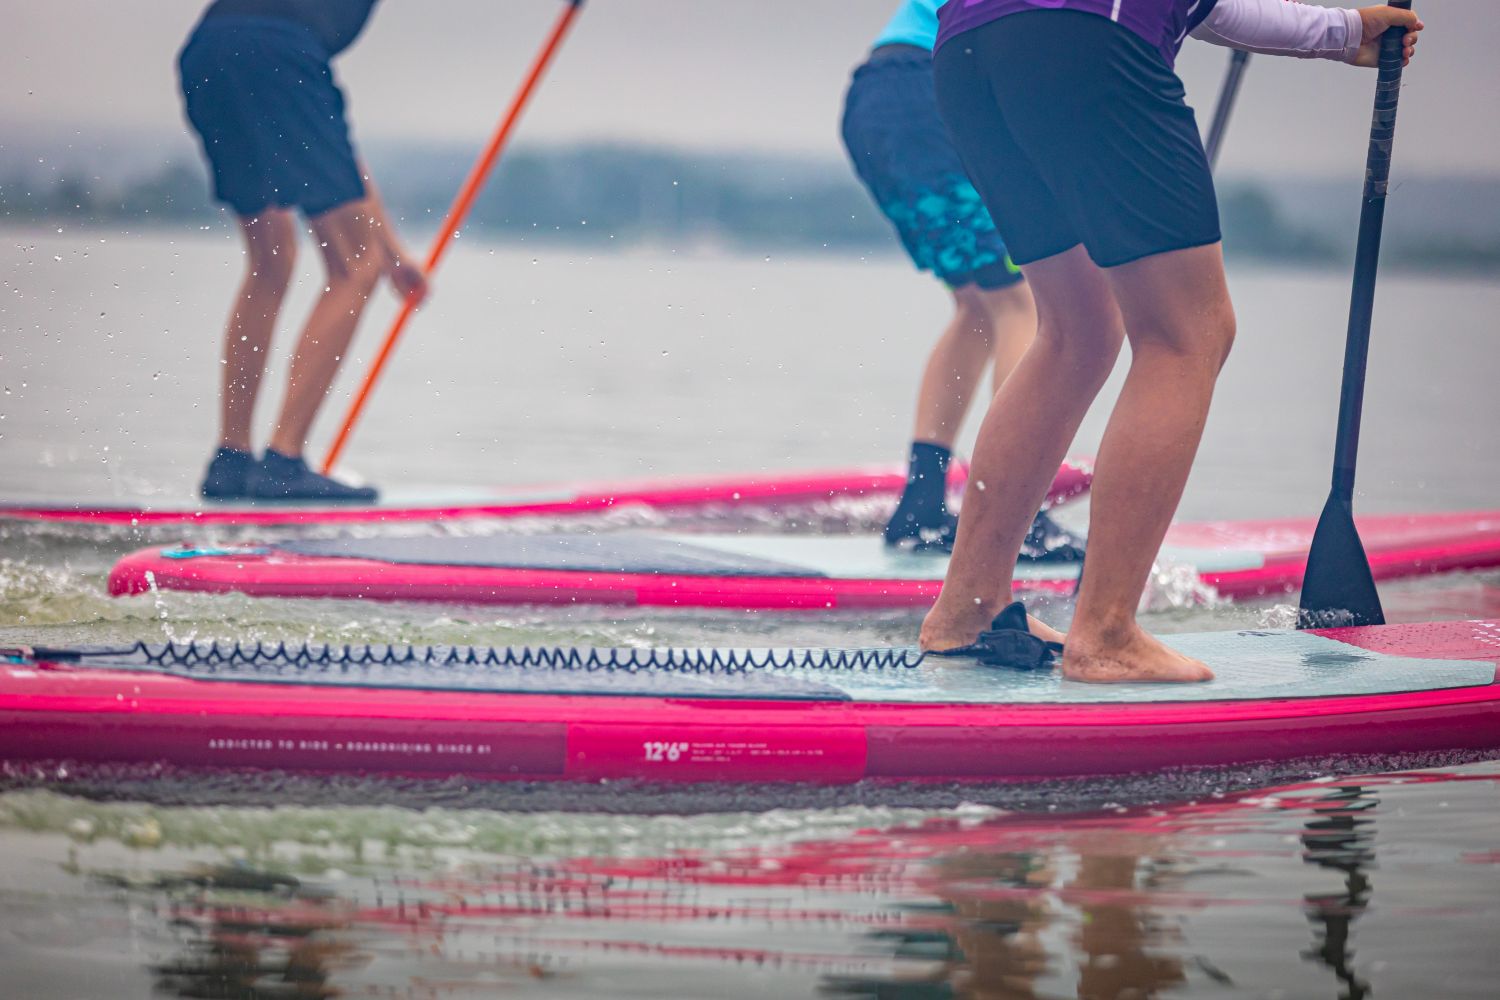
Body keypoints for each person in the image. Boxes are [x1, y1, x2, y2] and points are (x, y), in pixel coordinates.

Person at [919, 0, 1422, 682]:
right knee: (1189, 333)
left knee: (1077, 331)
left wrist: (1340, 32)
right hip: (1088, 42)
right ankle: (1105, 634)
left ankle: (969, 610)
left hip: (968, 49)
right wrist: (1339, 32)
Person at [840, 0, 1081, 559]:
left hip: (875, 97)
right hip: (930, 93)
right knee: (1022, 302)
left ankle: (922, 504)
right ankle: (1017, 512)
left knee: (980, 305)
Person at [178, 0, 428, 501]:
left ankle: (231, 460)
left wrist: (393, 251)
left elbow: (336, 153)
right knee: (356, 268)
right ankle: (283, 462)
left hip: (208, 53)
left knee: (271, 261)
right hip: (279, 55)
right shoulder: (293, 42)